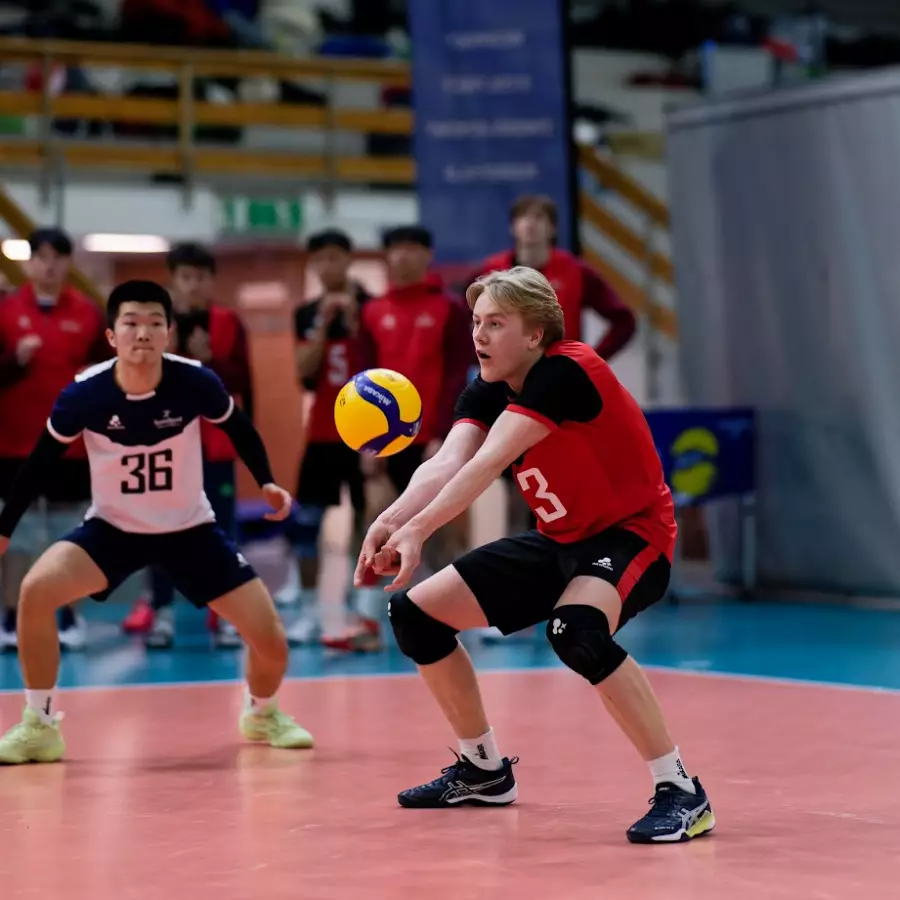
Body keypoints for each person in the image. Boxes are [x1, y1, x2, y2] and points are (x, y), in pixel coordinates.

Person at [354, 267, 714, 844]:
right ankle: (483, 771)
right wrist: (391, 520)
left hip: (632, 536)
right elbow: (447, 461)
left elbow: (488, 461)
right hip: (559, 540)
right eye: (476, 322)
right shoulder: (488, 386)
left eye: (496, 323)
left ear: (535, 334)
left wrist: (419, 530)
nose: (479, 334)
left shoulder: (566, 371)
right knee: (415, 614)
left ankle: (681, 790)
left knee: (577, 630)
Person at [0, 280, 313, 764]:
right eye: (130, 323)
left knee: (271, 640)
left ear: (169, 334)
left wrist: (267, 482)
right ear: (111, 336)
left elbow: (239, 428)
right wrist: (4, 529)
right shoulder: (85, 394)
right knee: (36, 591)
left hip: (190, 531)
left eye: (153, 323)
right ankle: (39, 726)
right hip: (113, 530)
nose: (142, 333)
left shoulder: (195, 382)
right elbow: (39, 463)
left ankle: (261, 713)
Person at [342, 226, 471, 651]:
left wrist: (445, 435)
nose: (402, 257)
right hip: (385, 444)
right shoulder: (372, 312)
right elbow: (360, 381)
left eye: (411, 249)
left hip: (435, 441)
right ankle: (366, 623)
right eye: (395, 249)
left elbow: (457, 375)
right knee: (376, 521)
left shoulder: (450, 309)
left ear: (427, 254)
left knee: (444, 533)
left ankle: (463, 616)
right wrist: (366, 444)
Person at [122, 243, 253, 650]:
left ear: (211, 280)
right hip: (163, 447)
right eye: (185, 277)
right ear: (173, 280)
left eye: (200, 276)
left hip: (214, 447)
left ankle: (227, 615)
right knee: (160, 531)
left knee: (220, 533)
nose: (193, 284)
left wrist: (210, 359)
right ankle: (162, 611)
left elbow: (243, 381)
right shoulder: (153, 325)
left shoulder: (229, 322)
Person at [0, 227, 109, 652]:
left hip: (71, 447)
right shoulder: (6, 310)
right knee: (17, 535)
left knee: (70, 535)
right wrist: (15, 360)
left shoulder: (88, 314)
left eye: (57, 257)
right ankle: (11, 619)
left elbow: (110, 374)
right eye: (41, 256)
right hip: (14, 447)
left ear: (67, 263)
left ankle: (68, 616)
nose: (49, 265)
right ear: (29, 262)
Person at [278, 229, 371, 647]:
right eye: (320, 259)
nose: (327, 266)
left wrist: (353, 322)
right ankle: (309, 611)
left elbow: (380, 365)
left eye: (335, 257)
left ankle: (360, 609)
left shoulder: (371, 306)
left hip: (368, 431)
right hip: (322, 430)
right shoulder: (305, 313)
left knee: (368, 520)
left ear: (348, 259)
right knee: (307, 523)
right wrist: (321, 325)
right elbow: (304, 374)